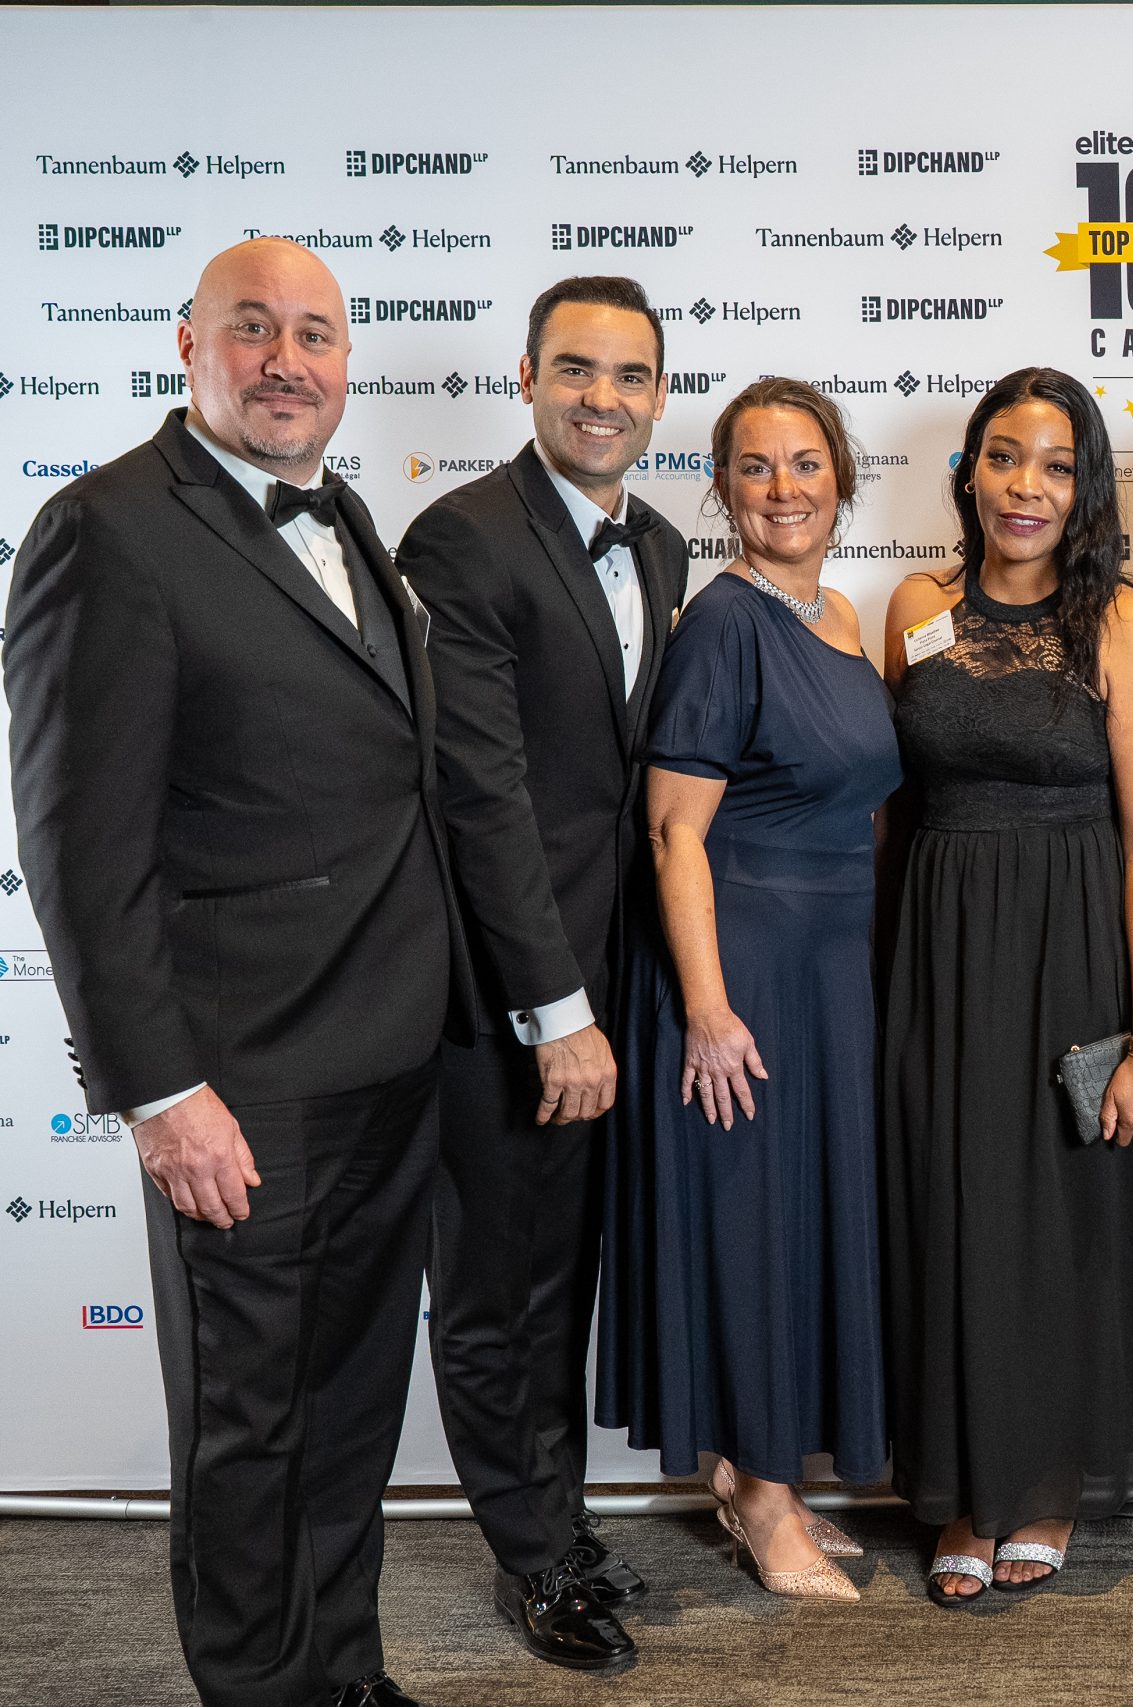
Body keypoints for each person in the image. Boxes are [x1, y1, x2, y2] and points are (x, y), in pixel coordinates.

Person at [5, 238, 464, 1707]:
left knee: (349, 1407)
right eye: (252, 327)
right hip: (239, 1083)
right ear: (188, 344)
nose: (286, 360)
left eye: (315, 334)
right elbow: (79, 848)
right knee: (250, 1423)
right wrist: (159, 1091)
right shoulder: (106, 529)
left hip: (388, 1057)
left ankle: (343, 1672)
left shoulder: (348, 516)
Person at [400, 276, 685, 1675]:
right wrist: (555, 1010)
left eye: (629, 375)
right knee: (500, 1286)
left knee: (565, 1276)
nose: (601, 398)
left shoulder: (666, 545)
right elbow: (483, 794)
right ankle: (533, 1555)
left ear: (660, 397)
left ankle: (558, 1515)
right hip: (511, 996)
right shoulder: (461, 539)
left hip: (625, 979)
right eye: (575, 368)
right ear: (525, 379)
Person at [880, 367, 1133, 1607]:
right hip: (935, 948)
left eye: (1057, 466)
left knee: (1055, 1224)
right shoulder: (916, 605)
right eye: (1004, 457)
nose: (1026, 486)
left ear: (1087, 487)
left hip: (1071, 947)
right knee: (945, 1211)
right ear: (968, 473)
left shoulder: (1128, 625)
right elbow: (892, 800)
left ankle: (1046, 1480)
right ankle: (965, 1482)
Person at [595, 378, 900, 1604]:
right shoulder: (723, 622)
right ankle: (763, 1503)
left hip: (828, 977)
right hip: (743, 973)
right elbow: (674, 833)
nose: (784, 488)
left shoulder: (839, 616)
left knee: (796, 1227)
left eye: (805, 462)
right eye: (756, 467)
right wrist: (709, 1011)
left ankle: (766, 1474)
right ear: (721, 488)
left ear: (841, 478)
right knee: (753, 1232)